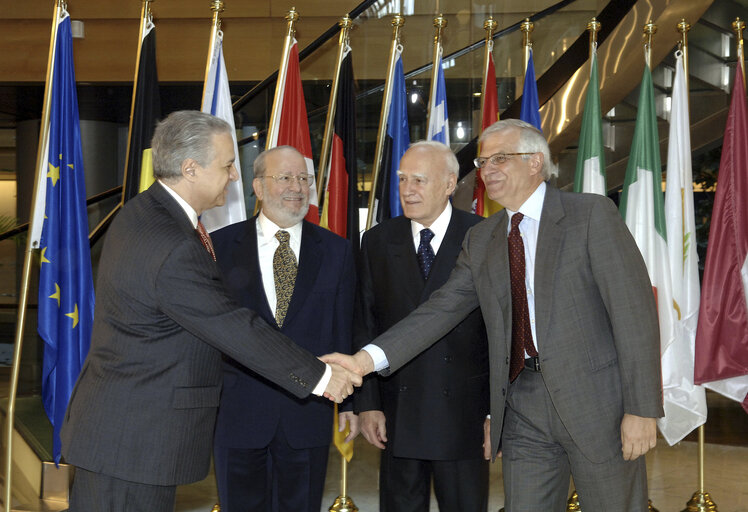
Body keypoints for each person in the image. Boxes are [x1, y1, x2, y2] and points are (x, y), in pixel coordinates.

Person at [328, 119, 663, 511]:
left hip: (596, 407)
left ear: (536, 162)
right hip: (522, 409)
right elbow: (438, 311)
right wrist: (362, 361)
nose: (488, 171)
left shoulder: (590, 215)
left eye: (500, 159)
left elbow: (634, 315)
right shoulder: (483, 238)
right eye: (484, 162)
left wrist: (641, 409)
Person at [60, 111, 360, 512]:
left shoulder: (145, 213)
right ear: (190, 169)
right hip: (133, 440)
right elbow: (231, 324)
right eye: (227, 165)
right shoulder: (171, 242)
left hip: (127, 434)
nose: (234, 177)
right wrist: (321, 376)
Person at [210, 145, 358, 512]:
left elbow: (345, 330)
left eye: (304, 179)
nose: (297, 187)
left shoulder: (337, 251)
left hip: (307, 414)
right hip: (237, 412)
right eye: (285, 177)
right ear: (258, 187)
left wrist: (352, 403)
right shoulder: (219, 248)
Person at [354, 140, 489, 512]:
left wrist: (496, 412)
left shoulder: (483, 236)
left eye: (419, 180)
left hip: (465, 417)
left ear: (449, 184)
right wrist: (368, 404)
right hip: (398, 414)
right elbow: (365, 324)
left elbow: (500, 333)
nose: (407, 190)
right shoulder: (378, 240)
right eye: (401, 179)